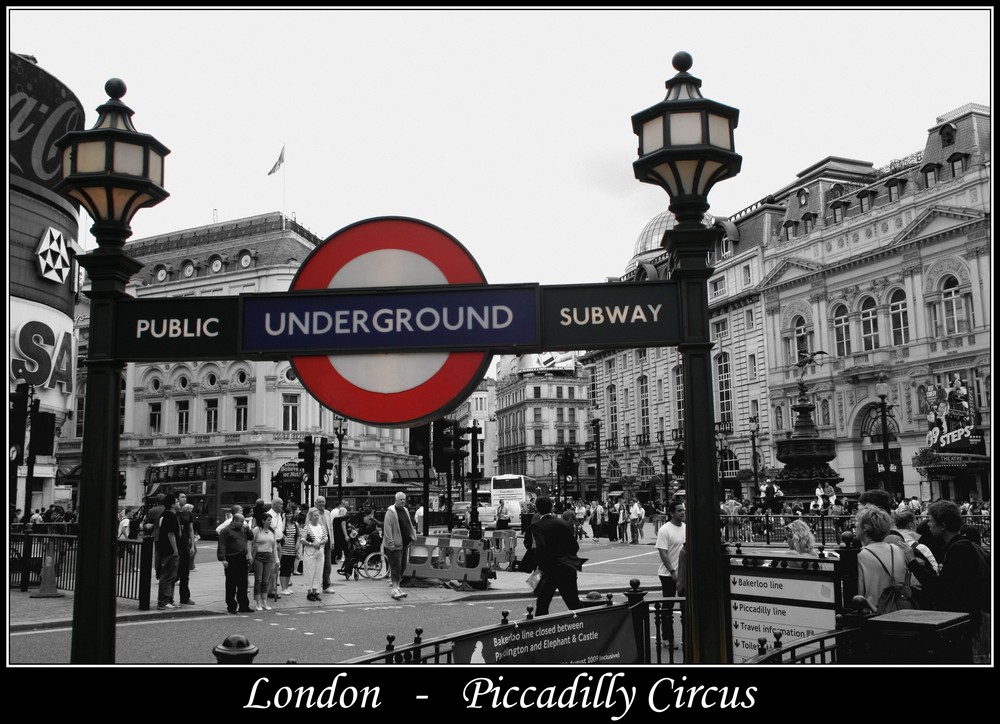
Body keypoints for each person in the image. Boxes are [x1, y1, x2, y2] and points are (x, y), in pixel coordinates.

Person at [927, 500, 989, 663]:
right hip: (969, 617)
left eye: (932, 521)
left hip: (963, 620)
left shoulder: (958, 550)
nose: (928, 524)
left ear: (943, 525)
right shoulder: (965, 546)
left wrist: (913, 563)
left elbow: (943, 588)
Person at [531, 496, 585, 616]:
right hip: (567, 568)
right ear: (551, 507)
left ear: (537, 508)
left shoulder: (537, 526)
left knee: (542, 604)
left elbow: (539, 550)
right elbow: (575, 547)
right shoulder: (563, 523)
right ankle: (587, 629)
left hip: (548, 571)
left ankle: (542, 631)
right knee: (574, 604)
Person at [854, 505, 911, 614]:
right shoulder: (898, 550)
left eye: (857, 523)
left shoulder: (861, 555)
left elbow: (859, 594)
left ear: (865, 528)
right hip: (900, 611)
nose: (855, 526)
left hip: (874, 614)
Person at [217, 513, 254, 614]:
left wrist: (248, 529)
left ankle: (243, 605)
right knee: (231, 584)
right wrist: (223, 559)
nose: (243, 524)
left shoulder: (243, 529)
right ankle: (231, 606)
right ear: (234, 520)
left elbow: (251, 537)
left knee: (243, 584)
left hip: (242, 558)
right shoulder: (225, 531)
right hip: (231, 559)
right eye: (241, 522)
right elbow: (222, 545)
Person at [383, 492, 416, 600]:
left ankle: (397, 587)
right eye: (401, 499)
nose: (403, 501)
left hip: (404, 544)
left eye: (404, 499)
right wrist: (391, 543)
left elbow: (409, 524)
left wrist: (412, 536)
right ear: (396, 500)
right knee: (395, 567)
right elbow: (387, 529)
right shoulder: (390, 512)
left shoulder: (405, 510)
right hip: (395, 545)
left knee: (402, 567)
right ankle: (394, 588)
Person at [156, 494, 181, 610]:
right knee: (167, 576)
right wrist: (175, 550)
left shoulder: (166, 515)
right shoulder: (170, 516)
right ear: (171, 504)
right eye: (176, 501)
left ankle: (169, 600)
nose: (178, 503)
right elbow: (171, 534)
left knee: (172, 576)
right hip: (169, 550)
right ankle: (163, 601)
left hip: (166, 549)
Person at [298, 508, 328, 601]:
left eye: (317, 515)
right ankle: (309, 591)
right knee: (309, 572)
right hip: (310, 552)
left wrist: (321, 542)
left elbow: (325, 537)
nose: (316, 517)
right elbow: (302, 539)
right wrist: (311, 544)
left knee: (318, 572)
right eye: (315, 515)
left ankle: (315, 591)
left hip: (320, 552)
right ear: (310, 517)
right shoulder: (307, 527)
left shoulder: (321, 527)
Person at [250, 511, 279, 611]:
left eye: (271, 520)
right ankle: (258, 601)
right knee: (259, 580)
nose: (270, 522)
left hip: (269, 556)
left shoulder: (272, 531)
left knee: (266, 580)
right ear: (263, 521)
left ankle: (264, 601)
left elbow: (274, 546)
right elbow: (251, 543)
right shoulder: (257, 530)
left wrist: (276, 559)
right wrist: (250, 555)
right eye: (268, 520)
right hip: (258, 556)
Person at [314, 496, 336, 593]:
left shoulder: (327, 513)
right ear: (315, 503)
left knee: (327, 565)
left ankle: (326, 586)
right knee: (316, 565)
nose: (321, 503)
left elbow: (330, 528)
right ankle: (316, 587)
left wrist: (332, 541)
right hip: (317, 541)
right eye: (319, 502)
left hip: (326, 540)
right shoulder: (312, 512)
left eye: (323, 502)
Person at [278, 503, 301, 595]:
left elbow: (299, 536)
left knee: (289, 569)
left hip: (292, 550)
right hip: (283, 550)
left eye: (291, 513)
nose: (289, 515)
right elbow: (280, 533)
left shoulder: (296, 524)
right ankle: (283, 588)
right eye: (287, 513)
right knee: (284, 569)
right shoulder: (282, 525)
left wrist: (297, 545)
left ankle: (287, 587)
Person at [177, 503, 197, 605]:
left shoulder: (187, 514)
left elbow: (190, 530)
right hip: (175, 547)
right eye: (181, 497)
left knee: (185, 574)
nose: (183, 499)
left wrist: (192, 545)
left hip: (185, 546)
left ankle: (185, 598)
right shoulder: (172, 514)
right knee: (173, 575)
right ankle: (167, 598)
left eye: (185, 497)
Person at [143, 493, 166, 577]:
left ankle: (158, 572)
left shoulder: (152, 510)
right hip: (166, 535)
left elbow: (148, 522)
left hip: (156, 534)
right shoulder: (167, 509)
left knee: (157, 554)